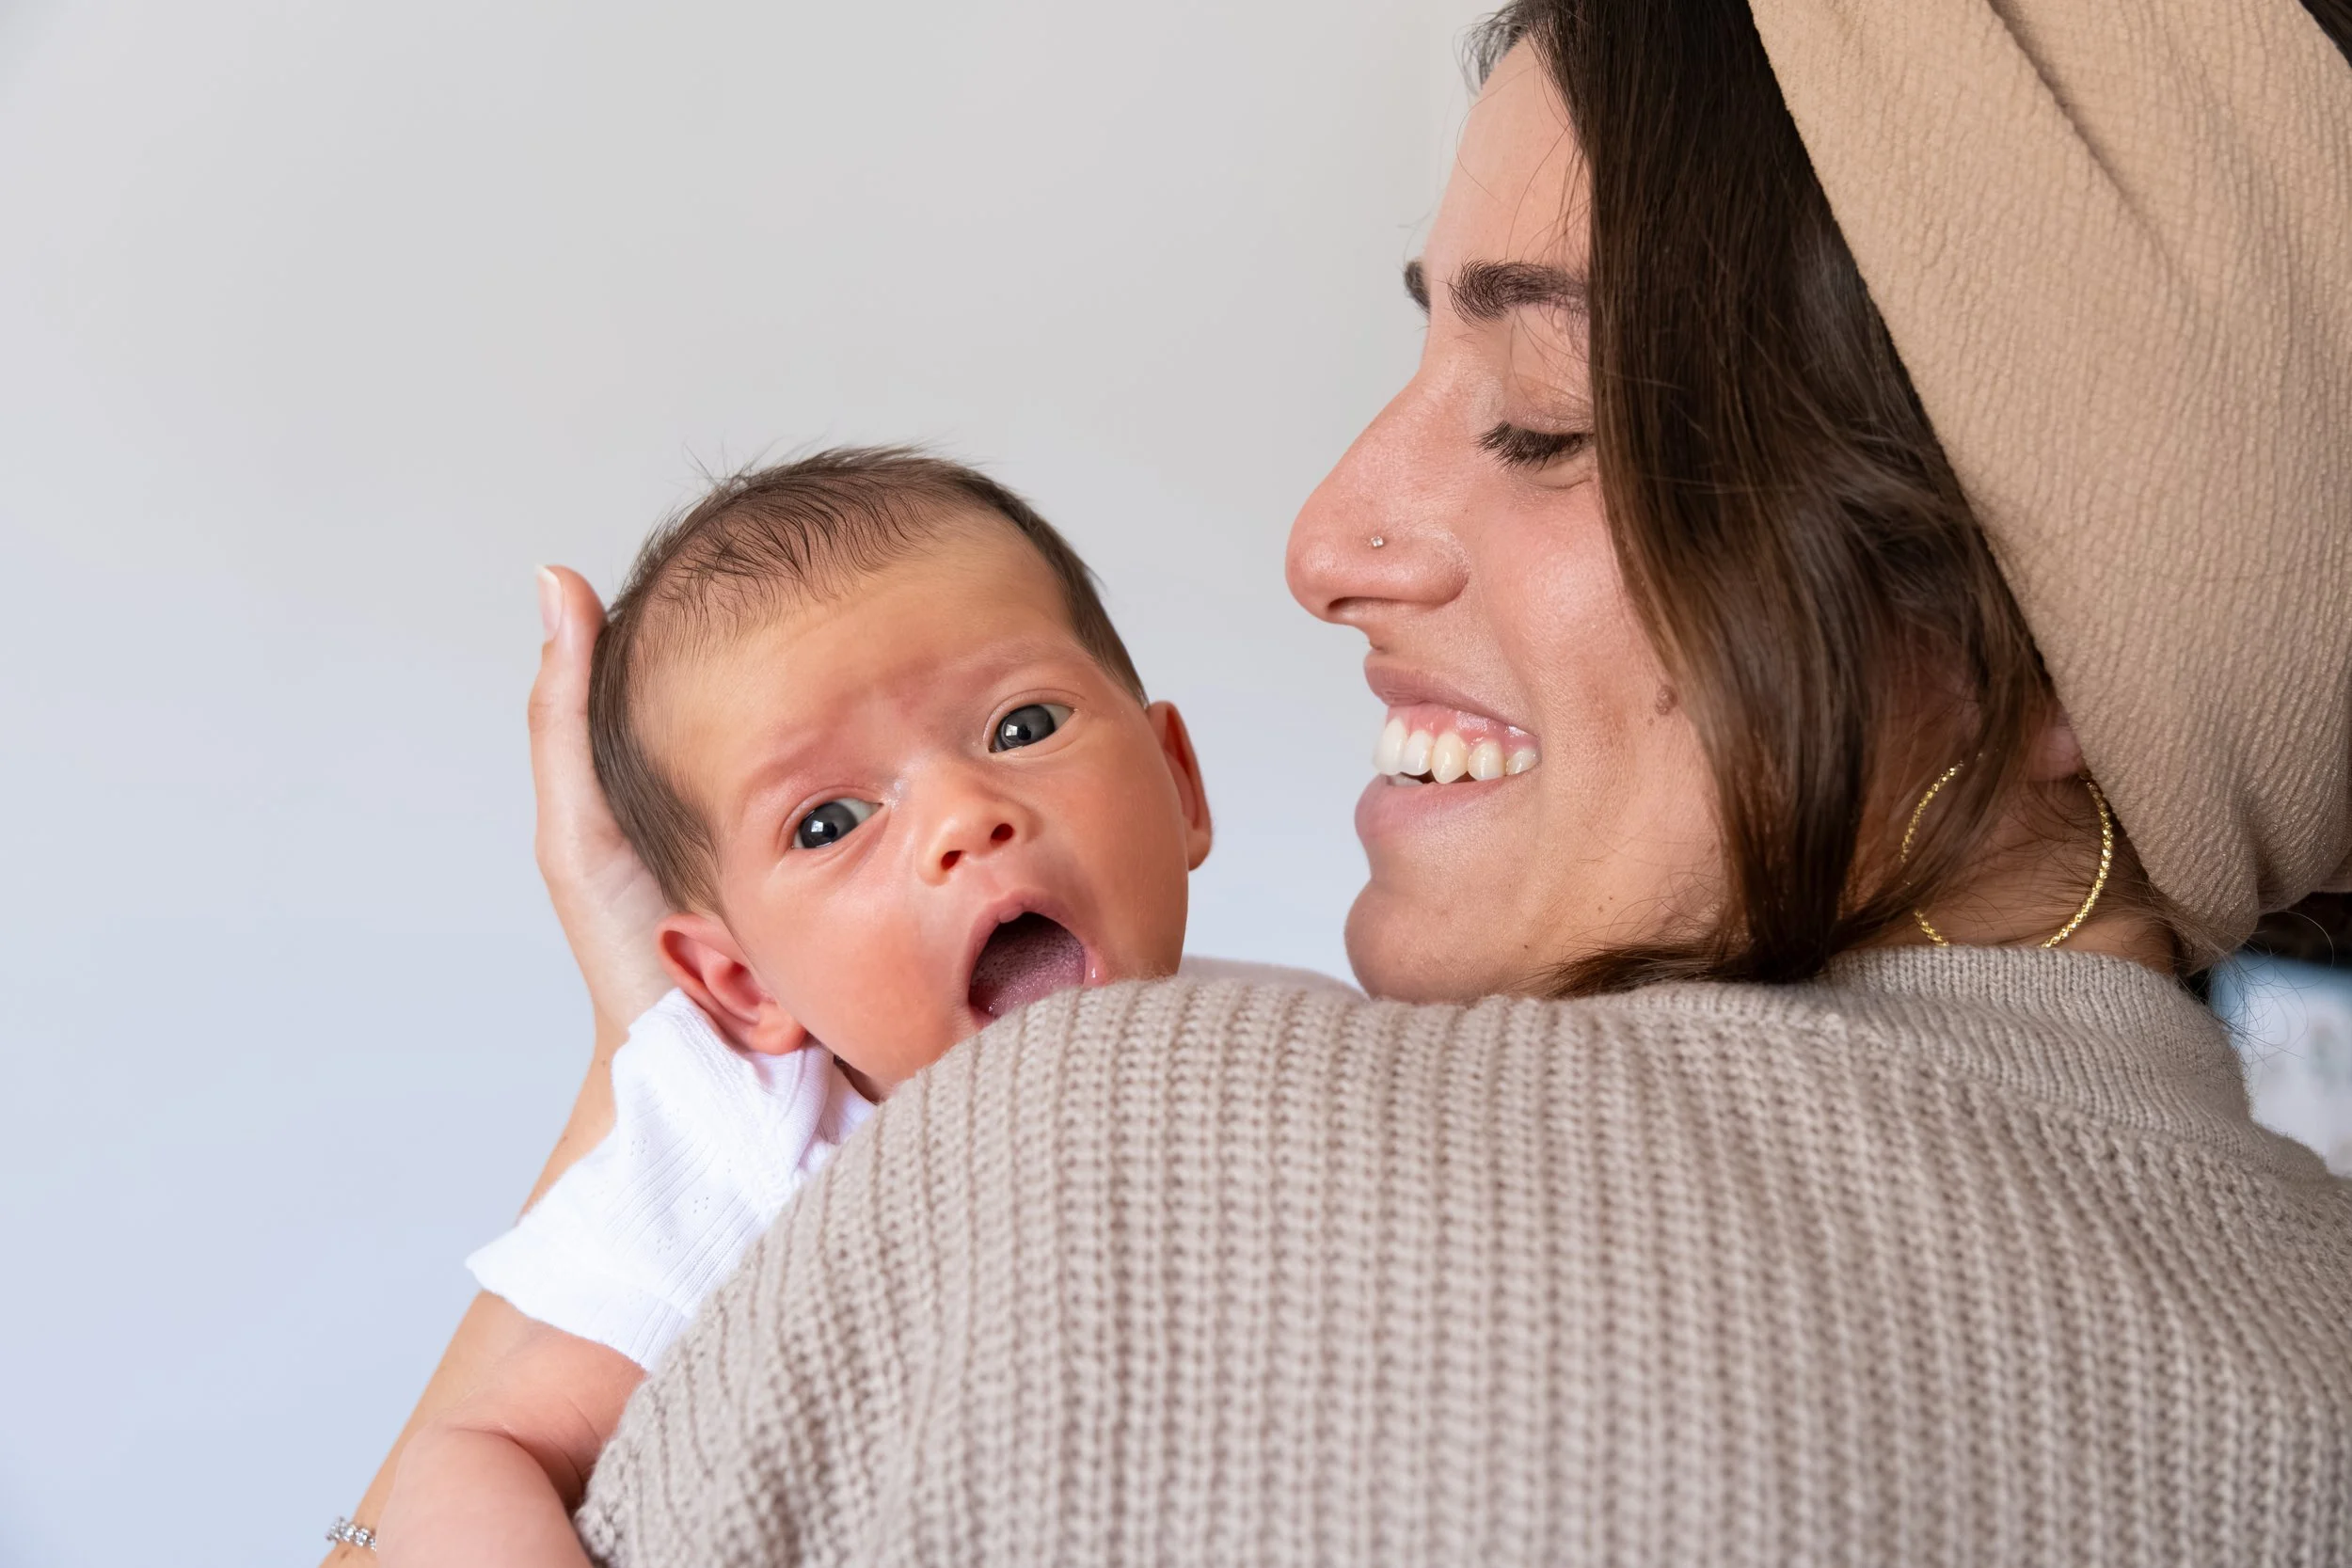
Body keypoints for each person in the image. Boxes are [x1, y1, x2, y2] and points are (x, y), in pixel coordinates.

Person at [327, 0, 2352, 1560]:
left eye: (1544, 421)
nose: (1325, 536)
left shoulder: (1113, 1158)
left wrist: (652, 1072)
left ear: (2045, 599)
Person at [366, 450, 1343, 1565]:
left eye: (1022, 726)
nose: (965, 817)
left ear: (1180, 784)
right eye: (828, 821)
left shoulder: (1299, 1037)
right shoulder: (746, 1138)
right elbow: (484, 1445)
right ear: (742, 983)